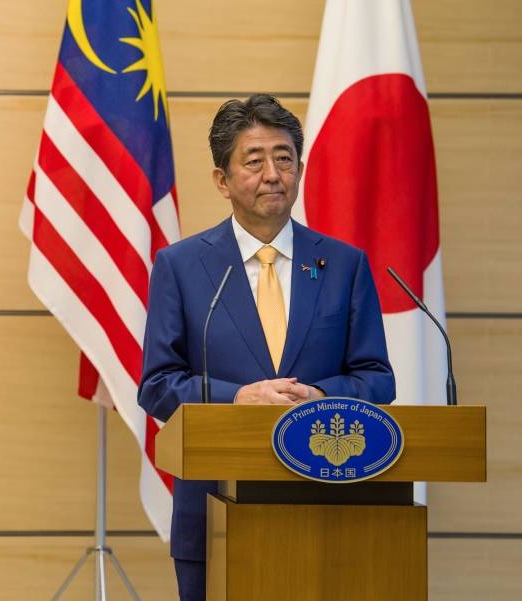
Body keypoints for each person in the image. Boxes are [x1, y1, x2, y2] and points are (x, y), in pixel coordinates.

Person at [137, 94, 394, 601]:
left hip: (330, 506)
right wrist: (239, 398)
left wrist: (319, 397)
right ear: (222, 180)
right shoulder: (182, 267)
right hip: (215, 510)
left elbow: (376, 377)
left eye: (284, 158)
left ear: (300, 169)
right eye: (254, 161)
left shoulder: (344, 265)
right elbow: (159, 385)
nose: (273, 174)